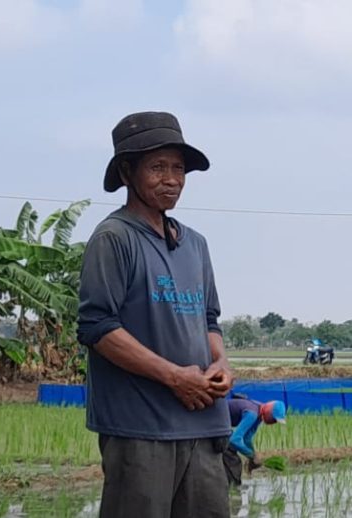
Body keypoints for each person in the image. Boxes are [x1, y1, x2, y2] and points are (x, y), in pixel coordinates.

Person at [77, 111, 234, 518]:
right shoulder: (114, 239)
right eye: (157, 168)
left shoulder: (195, 244)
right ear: (127, 172)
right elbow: (98, 327)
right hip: (141, 428)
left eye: (178, 169)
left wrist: (220, 363)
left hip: (204, 424)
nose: (171, 180)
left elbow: (209, 320)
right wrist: (174, 377)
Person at [223, 396, 286, 486]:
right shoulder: (252, 414)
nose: (273, 422)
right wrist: (251, 455)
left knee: (229, 450)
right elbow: (234, 440)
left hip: (222, 424)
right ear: (269, 411)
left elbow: (247, 439)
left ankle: (231, 485)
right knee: (231, 454)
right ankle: (234, 487)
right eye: (274, 419)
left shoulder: (259, 414)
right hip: (213, 420)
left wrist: (253, 455)